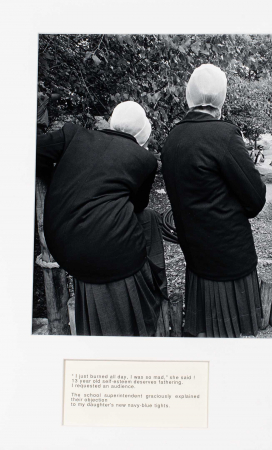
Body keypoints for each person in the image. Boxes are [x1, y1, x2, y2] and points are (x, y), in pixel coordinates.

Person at [36, 101, 167, 336]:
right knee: (148, 220)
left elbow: (32, 149)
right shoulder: (144, 160)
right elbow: (139, 204)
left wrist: (57, 177)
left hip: (65, 248)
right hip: (113, 252)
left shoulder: (74, 135)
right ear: (142, 133)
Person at [161, 64, 266, 338]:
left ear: (189, 96)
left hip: (195, 251)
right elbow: (256, 199)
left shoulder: (173, 137)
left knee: (208, 331)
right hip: (228, 255)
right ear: (221, 97)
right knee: (228, 335)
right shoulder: (225, 135)